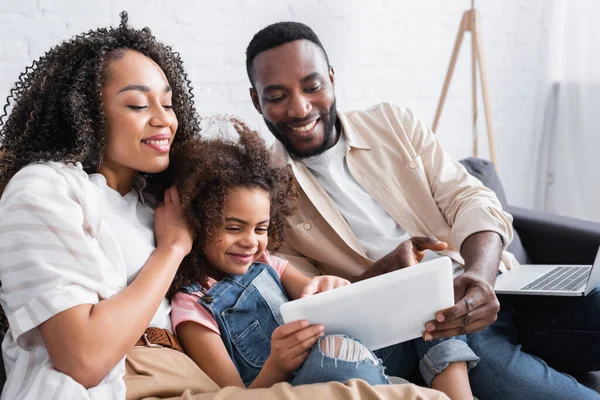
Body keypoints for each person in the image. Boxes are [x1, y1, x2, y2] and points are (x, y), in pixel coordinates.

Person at [0, 12, 449, 400]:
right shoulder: (44, 188)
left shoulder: (155, 198)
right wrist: (172, 248)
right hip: (124, 384)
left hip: (200, 383)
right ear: (86, 112)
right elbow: (85, 358)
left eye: (169, 103)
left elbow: (250, 252)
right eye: (138, 104)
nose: (164, 119)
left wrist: (320, 290)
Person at [244, 21, 600, 400]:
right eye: (277, 96)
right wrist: (387, 276)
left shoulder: (394, 124)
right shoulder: (267, 194)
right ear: (256, 101)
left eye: (312, 86)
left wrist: (481, 277)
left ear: (332, 79)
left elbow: (472, 200)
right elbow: (318, 306)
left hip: (498, 284)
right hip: (435, 327)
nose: (300, 108)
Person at [167, 121, 478, 399]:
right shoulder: (193, 306)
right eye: (233, 228)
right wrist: (277, 364)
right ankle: (390, 385)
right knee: (334, 354)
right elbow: (236, 395)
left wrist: (330, 287)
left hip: (355, 355)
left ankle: (455, 394)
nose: (250, 241)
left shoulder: (265, 262)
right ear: (199, 221)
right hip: (308, 381)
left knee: (427, 294)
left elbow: (316, 298)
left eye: (260, 228)